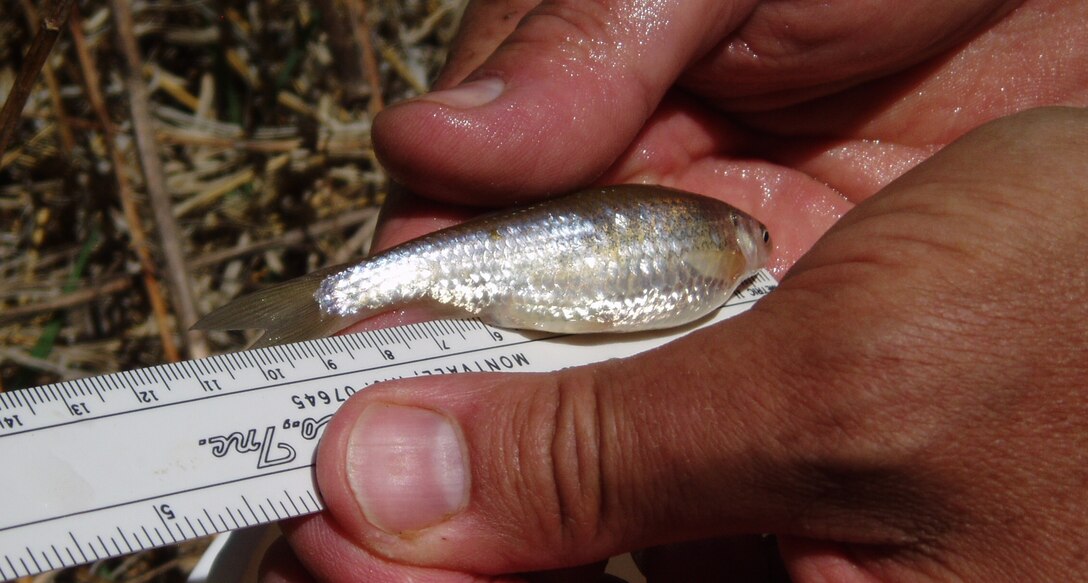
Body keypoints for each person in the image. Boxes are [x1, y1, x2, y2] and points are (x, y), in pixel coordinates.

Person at [260, 1, 1088, 580]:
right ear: (740, 240)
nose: (759, 250)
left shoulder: (723, 238)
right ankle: (325, 301)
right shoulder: (729, 236)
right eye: (757, 241)